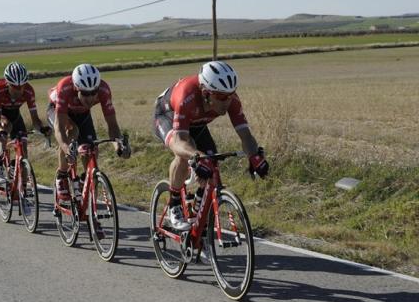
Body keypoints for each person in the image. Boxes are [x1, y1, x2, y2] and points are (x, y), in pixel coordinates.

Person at [152, 60, 269, 231]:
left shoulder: (230, 98)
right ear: (206, 93)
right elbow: (180, 141)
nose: (227, 102)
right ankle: (174, 203)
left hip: (197, 123)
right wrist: (196, 157)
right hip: (167, 116)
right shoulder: (187, 95)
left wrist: (254, 156)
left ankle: (199, 213)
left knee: (211, 162)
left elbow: (246, 136)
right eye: (221, 97)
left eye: (231, 95)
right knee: (185, 155)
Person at [47, 64, 130, 201]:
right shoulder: (65, 88)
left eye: (93, 92)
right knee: (72, 131)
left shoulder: (104, 90)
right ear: (76, 88)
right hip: (58, 111)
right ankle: (62, 176)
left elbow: (113, 125)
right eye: (85, 93)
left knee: (90, 149)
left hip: (82, 113)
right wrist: (67, 149)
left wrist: (119, 146)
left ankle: (84, 183)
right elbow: (59, 128)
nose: (90, 98)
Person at [0, 62, 51, 184]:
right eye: (15, 87)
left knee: (23, 145)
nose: (19, 89)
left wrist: (42, 129)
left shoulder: (28, 91)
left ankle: (23, 188)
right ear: (8, 83)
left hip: (14, 112)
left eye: (22, 86)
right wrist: (0, 132)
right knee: (5, 126)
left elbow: (35, 120)